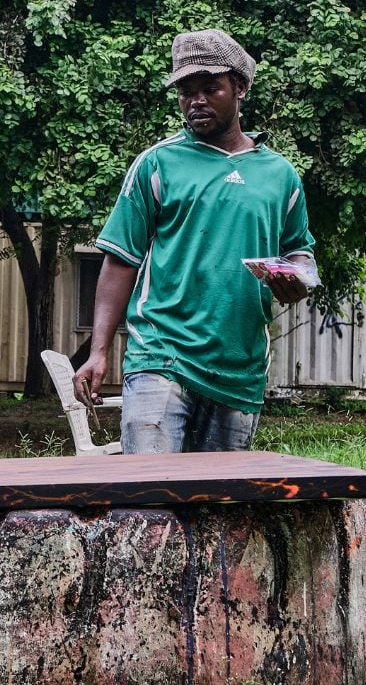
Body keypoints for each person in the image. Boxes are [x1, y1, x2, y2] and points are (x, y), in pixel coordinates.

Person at [72, 29, 316, 453]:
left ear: (239, 88)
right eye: (186, 91)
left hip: (239, 368)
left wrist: (299, 281)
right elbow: (120, 261)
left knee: (219, 510)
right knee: (151, 497)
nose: (196, 101)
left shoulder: (280, 176)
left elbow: (300, 250)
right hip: (160, 356)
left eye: (209, 88)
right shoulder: (157, 164)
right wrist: (99, 352)